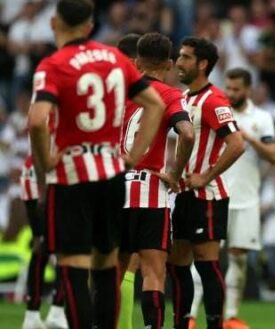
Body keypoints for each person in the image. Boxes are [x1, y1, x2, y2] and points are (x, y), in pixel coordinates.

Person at [27, 1, 166, 328]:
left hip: (73, 174)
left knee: (74, 266)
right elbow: (155, 104)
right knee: (107, 266)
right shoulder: (116, 59)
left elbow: (36, 121)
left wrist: (45, 163)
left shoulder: (53, 65)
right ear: (90, 27)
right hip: (112, 172)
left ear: (53, 23)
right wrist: (134, 155)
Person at [187, 67, 275, 329]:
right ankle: (191, 315)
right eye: (228, 87)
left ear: (248, 90)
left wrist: (248, 137)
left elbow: (273, 155)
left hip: (247, 199)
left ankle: (230, 317)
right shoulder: (216, 111)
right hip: (215, 194)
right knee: (205, 256)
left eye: (237, 89)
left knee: (239, 258)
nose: (231, 93)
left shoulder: (261, 118)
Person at [166, 36, 245, 329]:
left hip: (208, 196)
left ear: (202, 64)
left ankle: (214, 325)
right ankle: (182, 323)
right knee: (177, 263)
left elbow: (237, 144)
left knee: (207, 265)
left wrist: (206, 176)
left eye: (185, 57)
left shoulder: (214, 100)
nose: (179, 62)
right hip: (183, 194)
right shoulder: (184, 98)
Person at [118, 32, 195, 329]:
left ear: (136, 62)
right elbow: (187, 133)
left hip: (115, 189)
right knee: (153, 272)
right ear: (170, 63)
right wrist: (175, 173)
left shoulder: (119, 92)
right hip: (150, 190)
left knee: (114, 270)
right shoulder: (169, 94)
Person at [20, 156, 67, 329]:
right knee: (58, 247)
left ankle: (37, 314)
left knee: (43, 245)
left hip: (37, 175)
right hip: (46, 177)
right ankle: (53, 310)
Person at [114, 32, 141, 329]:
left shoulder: (106, 90)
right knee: (130, 264)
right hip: (132, 182)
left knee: (104, 264)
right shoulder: (145, 93)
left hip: (99, 180)